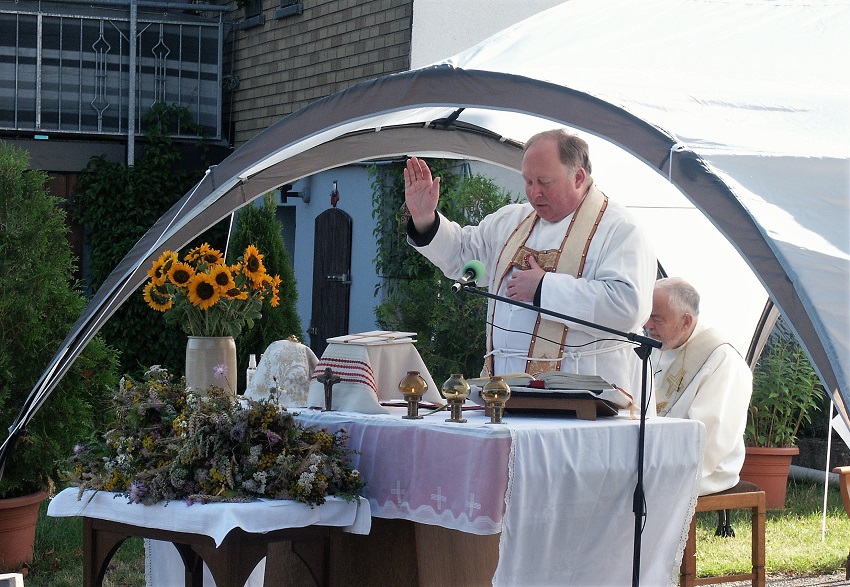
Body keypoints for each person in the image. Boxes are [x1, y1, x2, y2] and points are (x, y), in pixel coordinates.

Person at [404, 128, 657, 405]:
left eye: (544, 182)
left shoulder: (619, 229)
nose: (534, 193)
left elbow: (628, 307)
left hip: (586, 402)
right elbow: (463, 254)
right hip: (508, 393)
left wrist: (543, 289)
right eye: (527, 181)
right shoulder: (512, 222)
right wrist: (425, 218)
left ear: (579, 177)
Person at [645, 277, 753, 495]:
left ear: (686, 321)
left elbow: (710, 436)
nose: (648, 325)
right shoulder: (657, 345)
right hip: (653, 454)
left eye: (657, 318)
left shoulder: (722, 359)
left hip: (707, 470)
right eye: (647, 316)